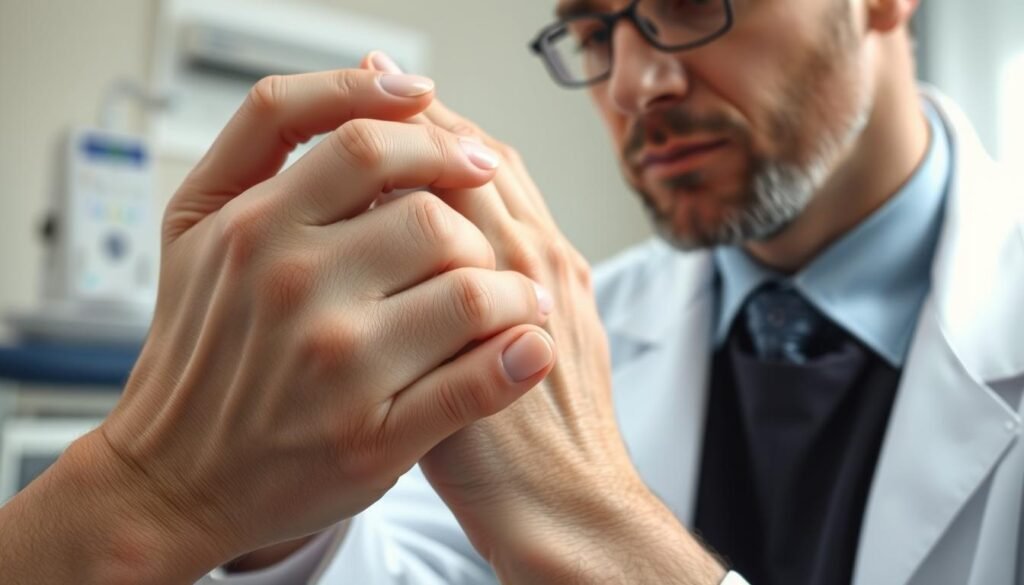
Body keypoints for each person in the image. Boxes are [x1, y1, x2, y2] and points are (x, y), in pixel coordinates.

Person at [1, 0, 1022, 583]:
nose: (631, 86)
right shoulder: (554, 325)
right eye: (593, 33)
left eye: (684, 5)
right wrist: (278, 515)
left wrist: (596, 525)